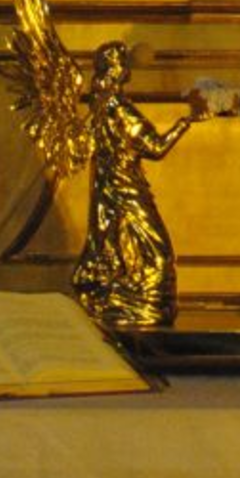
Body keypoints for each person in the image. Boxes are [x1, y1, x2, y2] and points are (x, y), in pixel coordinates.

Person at [73, 42, 201, 330]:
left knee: (127, 251)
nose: (127, 66)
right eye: (122, 61)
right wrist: (186, 122)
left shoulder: (100, 109)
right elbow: (155, 148)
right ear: (116, 70)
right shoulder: (121, 111)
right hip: (127, 192)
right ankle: (144, 303)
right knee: (159, 255)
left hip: (111, 192)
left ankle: (127, 297)